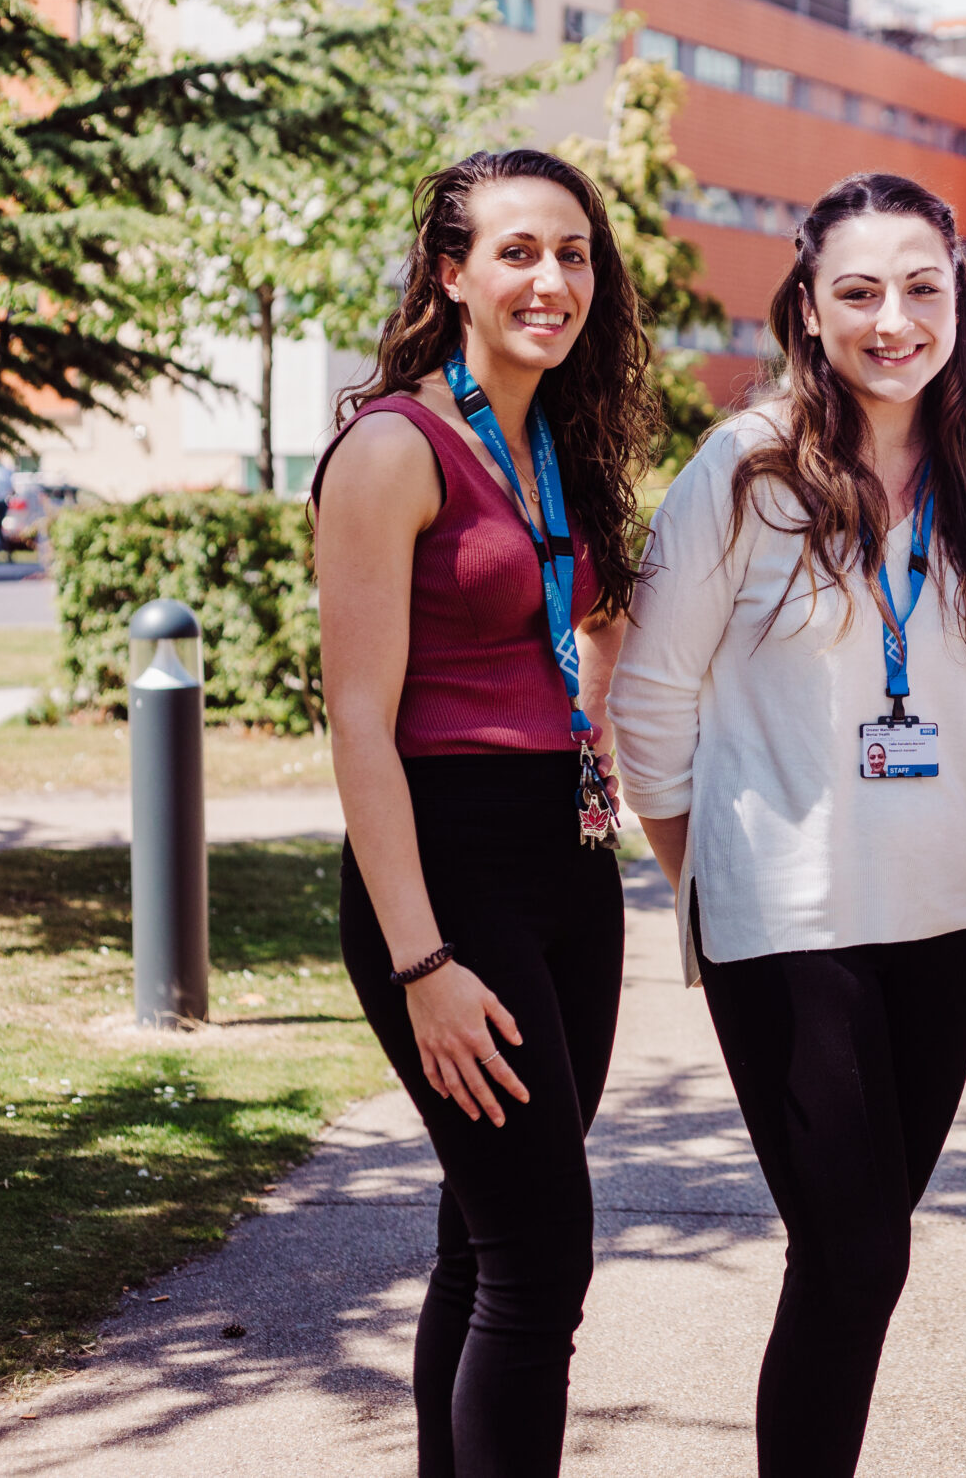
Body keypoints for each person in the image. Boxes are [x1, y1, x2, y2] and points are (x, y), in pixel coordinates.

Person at [609, 172, 966, 1478]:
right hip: (787, 927)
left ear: (958, 297)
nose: (893, 316)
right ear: (807, 306)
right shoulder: (742, 471)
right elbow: (650, 699)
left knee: (859, 1249)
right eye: (858, 289)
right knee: (856, 1250)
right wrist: (716, 878)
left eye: (922, 285)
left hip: (943, 914)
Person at [313, 147, 657, 1478]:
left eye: (573, 254)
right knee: (541, 1256)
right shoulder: (396, 447)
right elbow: (358, 722)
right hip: (446, 876)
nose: (552, 279)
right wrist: (422, 962)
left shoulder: (553, 437)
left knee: (487, 1232)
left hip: (568, 861)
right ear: (450, 273)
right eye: (518, 251)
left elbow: (590, 623)